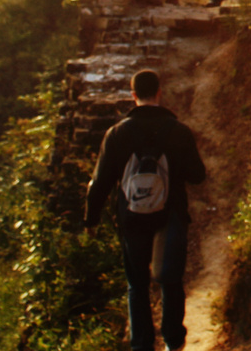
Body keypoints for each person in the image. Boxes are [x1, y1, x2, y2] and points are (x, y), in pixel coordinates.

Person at [85, 69, 206, 351]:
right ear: (159, 92)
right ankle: (173, 342)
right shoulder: (178, 131)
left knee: (137, 284)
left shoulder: (116, 134)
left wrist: (91, 219)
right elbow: (198, 175)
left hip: (132, 216)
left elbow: (100, 182)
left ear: (133, 95)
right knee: (171, 279)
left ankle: (142, 344)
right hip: (171, 212)